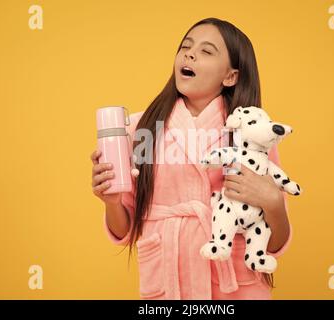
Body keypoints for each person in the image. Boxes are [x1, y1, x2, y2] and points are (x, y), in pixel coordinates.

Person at [91, 17, 292, 300]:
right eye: (186, 47)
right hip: (168, 282)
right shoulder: (141, 128)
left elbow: (274, 244)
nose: (190, 54)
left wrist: (273, 202)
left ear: (231, 76)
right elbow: (124, 229)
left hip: (235, 288)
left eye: (207, 51)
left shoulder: (251, 133)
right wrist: (111, 202)